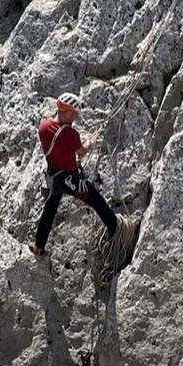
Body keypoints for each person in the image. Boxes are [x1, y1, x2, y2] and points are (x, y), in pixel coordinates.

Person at [30, 93, 119, 257]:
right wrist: (89, 144)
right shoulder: (71, 135)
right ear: (69, 112)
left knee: (49, 210)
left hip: (53, 176)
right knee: (97, 201)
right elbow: (81, 152)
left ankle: (39, 246)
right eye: (75, 113)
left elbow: (59, 147)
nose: (75, 117)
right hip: (72, 179)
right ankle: (117, 229)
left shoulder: (43, 126)